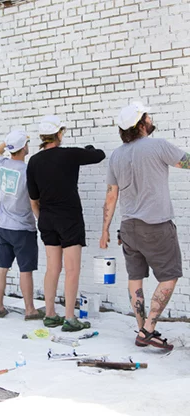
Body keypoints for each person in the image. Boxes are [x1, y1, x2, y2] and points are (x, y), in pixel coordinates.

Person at [100, 101, 190, 351]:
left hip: (128, 227)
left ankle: (143, 330)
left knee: (135, 278)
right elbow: (188, 162)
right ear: (142, 124)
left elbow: (111, 195)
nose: (151, 120)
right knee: (170, 275)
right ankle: (148, 328)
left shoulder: (117, 155)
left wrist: (105, 229)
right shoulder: (157, 145)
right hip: (156, 226)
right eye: (148, 117)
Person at [27, 115, 105, 332]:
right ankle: (70, 318)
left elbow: (33, 198)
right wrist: (88, 148)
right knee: (72, 270)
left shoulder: (34, 161)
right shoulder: (69, 154)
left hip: (47, 219)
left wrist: (41, 217)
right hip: (69, 218)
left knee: (53, 268)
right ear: (58, 134)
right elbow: (99, 155)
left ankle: (50, 314)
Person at [0, 131, 43, 320]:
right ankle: (30, 309)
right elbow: (33, 202)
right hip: (23, 228)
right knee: (25, 270)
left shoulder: (3, 165)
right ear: (24, 148)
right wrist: (41, 221)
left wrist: (7, 142)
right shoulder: (28, 170)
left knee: (1, 268)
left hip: (4, 227)